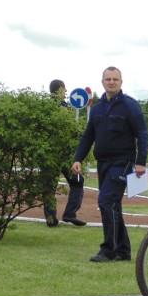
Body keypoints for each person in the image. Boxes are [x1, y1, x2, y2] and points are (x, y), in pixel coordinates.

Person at [72, 67, 148, 262]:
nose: (111, 82)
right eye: (108, 79)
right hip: (103, 164)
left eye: (115, 79)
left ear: (121, 82)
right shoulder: (97, 109)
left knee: (106, 201)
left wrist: (141, 162)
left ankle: (108, 250)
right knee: (113, 205)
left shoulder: (130, 106)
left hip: (122, 162)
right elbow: (88, 135)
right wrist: (78, 158)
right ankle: (123, 251)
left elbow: (142, 134)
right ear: (102, 82)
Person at [43, 79, 86, 227]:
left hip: (47, 153)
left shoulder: (43, 108)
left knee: (49, 187)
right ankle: (70, 212)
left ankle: (50, 218)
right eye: (64, 89)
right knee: (77, 181)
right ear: (60, 91)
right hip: (64, 154)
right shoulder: (65, 109)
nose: (66, 92)